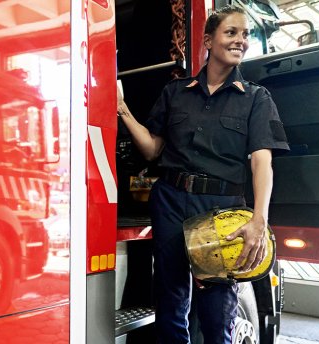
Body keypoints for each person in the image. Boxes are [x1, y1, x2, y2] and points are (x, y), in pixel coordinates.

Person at [116, 5, 289, 344]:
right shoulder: (175, 93)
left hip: (221, 208)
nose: (240, 40)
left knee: (216, 309)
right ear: (209, 40)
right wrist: (121, 109)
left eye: (245, 35)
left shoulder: (256, 98)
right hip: (170, 201)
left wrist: (259, 220)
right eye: (231, 33)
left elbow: (262, 163)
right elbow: (152, 150)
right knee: (170, 301)